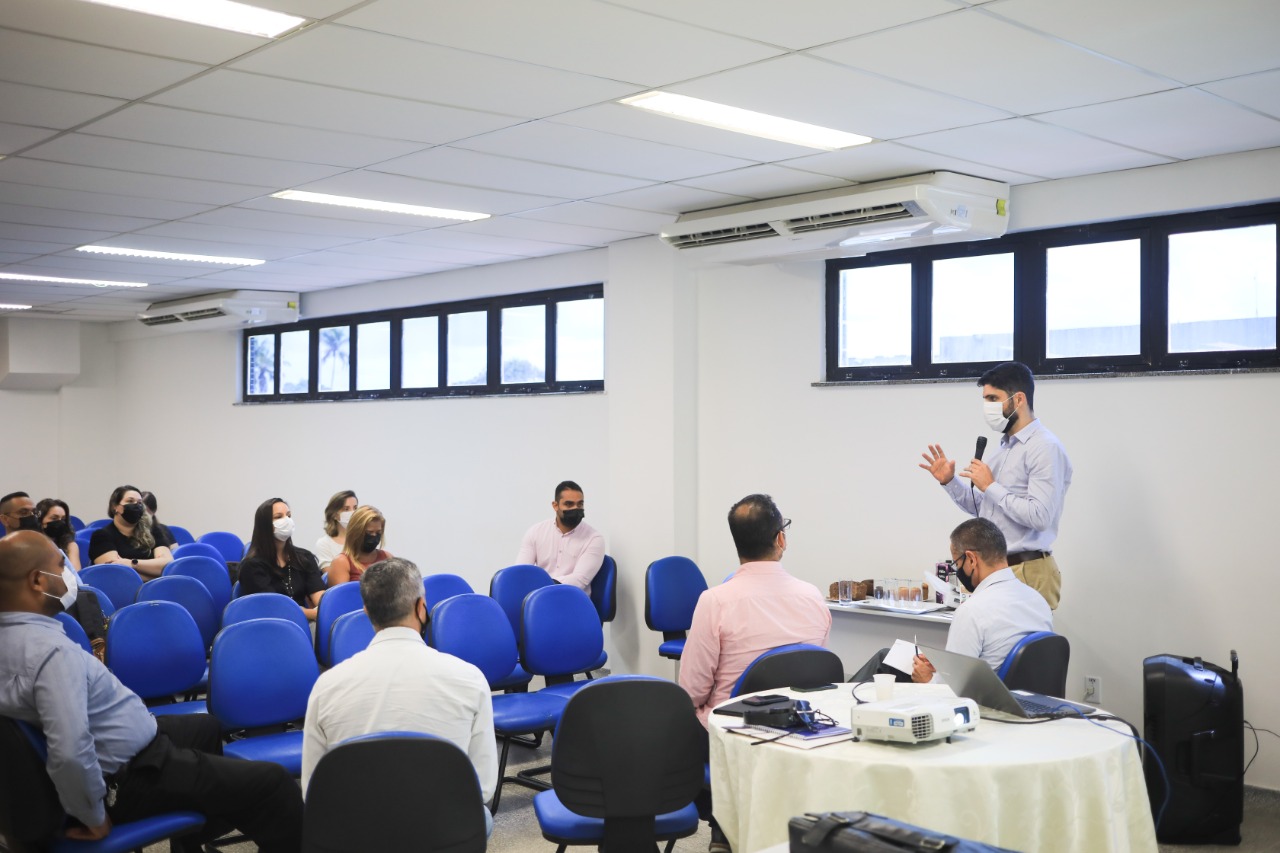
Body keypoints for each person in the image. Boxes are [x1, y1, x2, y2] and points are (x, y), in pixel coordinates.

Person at [0, 530, 303, 851]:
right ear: (37, 581)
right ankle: (210, 803)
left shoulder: (15, 639)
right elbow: (71, 752)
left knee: (205, 728)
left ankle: (199, 825)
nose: (69, 574)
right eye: (61, 565)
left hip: (118, 748)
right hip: (128, 774)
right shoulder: (50, 654)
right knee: (275, 785)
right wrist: (92, 815)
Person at [302, 557, 497, 834]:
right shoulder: (469, 678)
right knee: (482, 818)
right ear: (421, 607)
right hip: (441, 830)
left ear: (367, 612)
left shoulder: (327, 686)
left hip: (358, 834)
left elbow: (313, 791)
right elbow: (482, 787)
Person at [919, 361, 1073, 609]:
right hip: (998, 569)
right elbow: (986, 509)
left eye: (993, 398)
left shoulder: (1044, 447)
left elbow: (1040, 516)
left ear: (1019, 399)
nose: (987, 406)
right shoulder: (1004, 448)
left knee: (1019, 646)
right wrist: (950, 482)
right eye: (984, 399)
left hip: (1027, 570)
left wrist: (991, 486)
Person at [679, 494, 831, 727]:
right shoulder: (813, 597)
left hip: (732, 733)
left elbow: (691, 693)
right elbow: (817, 676)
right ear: (781, 539)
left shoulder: (715, 602)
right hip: (799, 728)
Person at [911, 518, 1053, 683]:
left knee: (885, 663)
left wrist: (927, 680)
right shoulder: (1039, 601)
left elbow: (953, 687)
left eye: (957, 564)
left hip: (985, 705)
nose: (957, 570)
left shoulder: (972, 611)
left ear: (971, 559)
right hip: (1030, 702)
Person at [237, 498, 325, 621]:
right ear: (265, 525)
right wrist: (311, 614)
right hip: (273, 625)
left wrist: (323, 609)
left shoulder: (304, 557)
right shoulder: (252, 566)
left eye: (289, 516)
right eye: (279, 517)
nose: (287, 520)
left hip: (306, 623)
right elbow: (274, 607)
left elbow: (319, 597)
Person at [515, 480, 605, 592]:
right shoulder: (535, 532)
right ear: (555, 506)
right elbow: (521, 571)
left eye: (580, 504)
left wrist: (540, 586)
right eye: (569, 504)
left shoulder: (594, 539)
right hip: (539, 598)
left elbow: (579, 580)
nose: (575, 509)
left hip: (573, 599)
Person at [87, 486, 173, 579]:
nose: (136, 505)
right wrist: (155, 573)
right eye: (130, 501)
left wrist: (132, 563)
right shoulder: (102, 535)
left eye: (140, 503)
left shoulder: (153, 531)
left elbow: (168, 565)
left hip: (154, 589)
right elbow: (117, 573)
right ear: (115, 507)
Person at [326, 505, 391, 587]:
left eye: (378, 532)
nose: (374, 536)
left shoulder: (388, 558)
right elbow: (341, 598)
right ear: (355, 532)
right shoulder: (341, 562)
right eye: (369, 533)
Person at [313, 490, 358, 571]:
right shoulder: (324, 543)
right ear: (334, 515)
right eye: (346, 509)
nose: (353, 512)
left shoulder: (364, 539)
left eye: (355, 508)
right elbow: (331, 577)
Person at [35, 498, 81, 571]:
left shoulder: (70, 545)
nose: (60, 522)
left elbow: (75, 574)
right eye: (54, 518)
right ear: (41, 521)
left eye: (63, 519)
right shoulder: (31, 545)